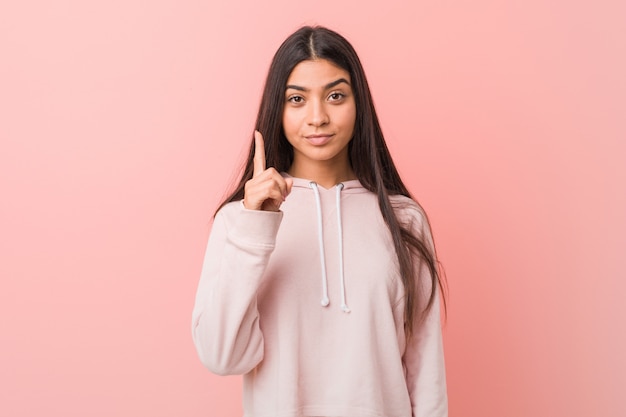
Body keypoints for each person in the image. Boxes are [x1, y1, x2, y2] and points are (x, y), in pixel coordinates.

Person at [192, 25, 448, 417]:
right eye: (297, 99)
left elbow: (425, 373)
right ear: (277, 109)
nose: (317, 117)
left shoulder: (404, 220)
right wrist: (255, 227)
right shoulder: (239, 222)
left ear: (358, 102)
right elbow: (222, 357)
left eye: (335, 96)